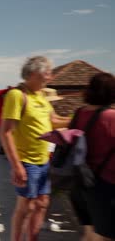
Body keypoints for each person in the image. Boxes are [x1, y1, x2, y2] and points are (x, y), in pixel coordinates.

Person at [0, 56, 70, 241]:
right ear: (32, 74)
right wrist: (17, 166)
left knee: (42, 204)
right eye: (46, 73)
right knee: (26, 207)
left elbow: (53, 121)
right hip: (26, 161)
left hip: (43, 159)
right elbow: (6, 132)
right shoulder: (17, 95)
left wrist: (80, 118)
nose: (50, 77)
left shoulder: (41, 95)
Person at [69, 73, 115, 241]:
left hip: (79, 183)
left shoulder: (79, 113)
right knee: (103, 237)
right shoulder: (111, 117)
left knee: (89, 234)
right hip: (104, 187)